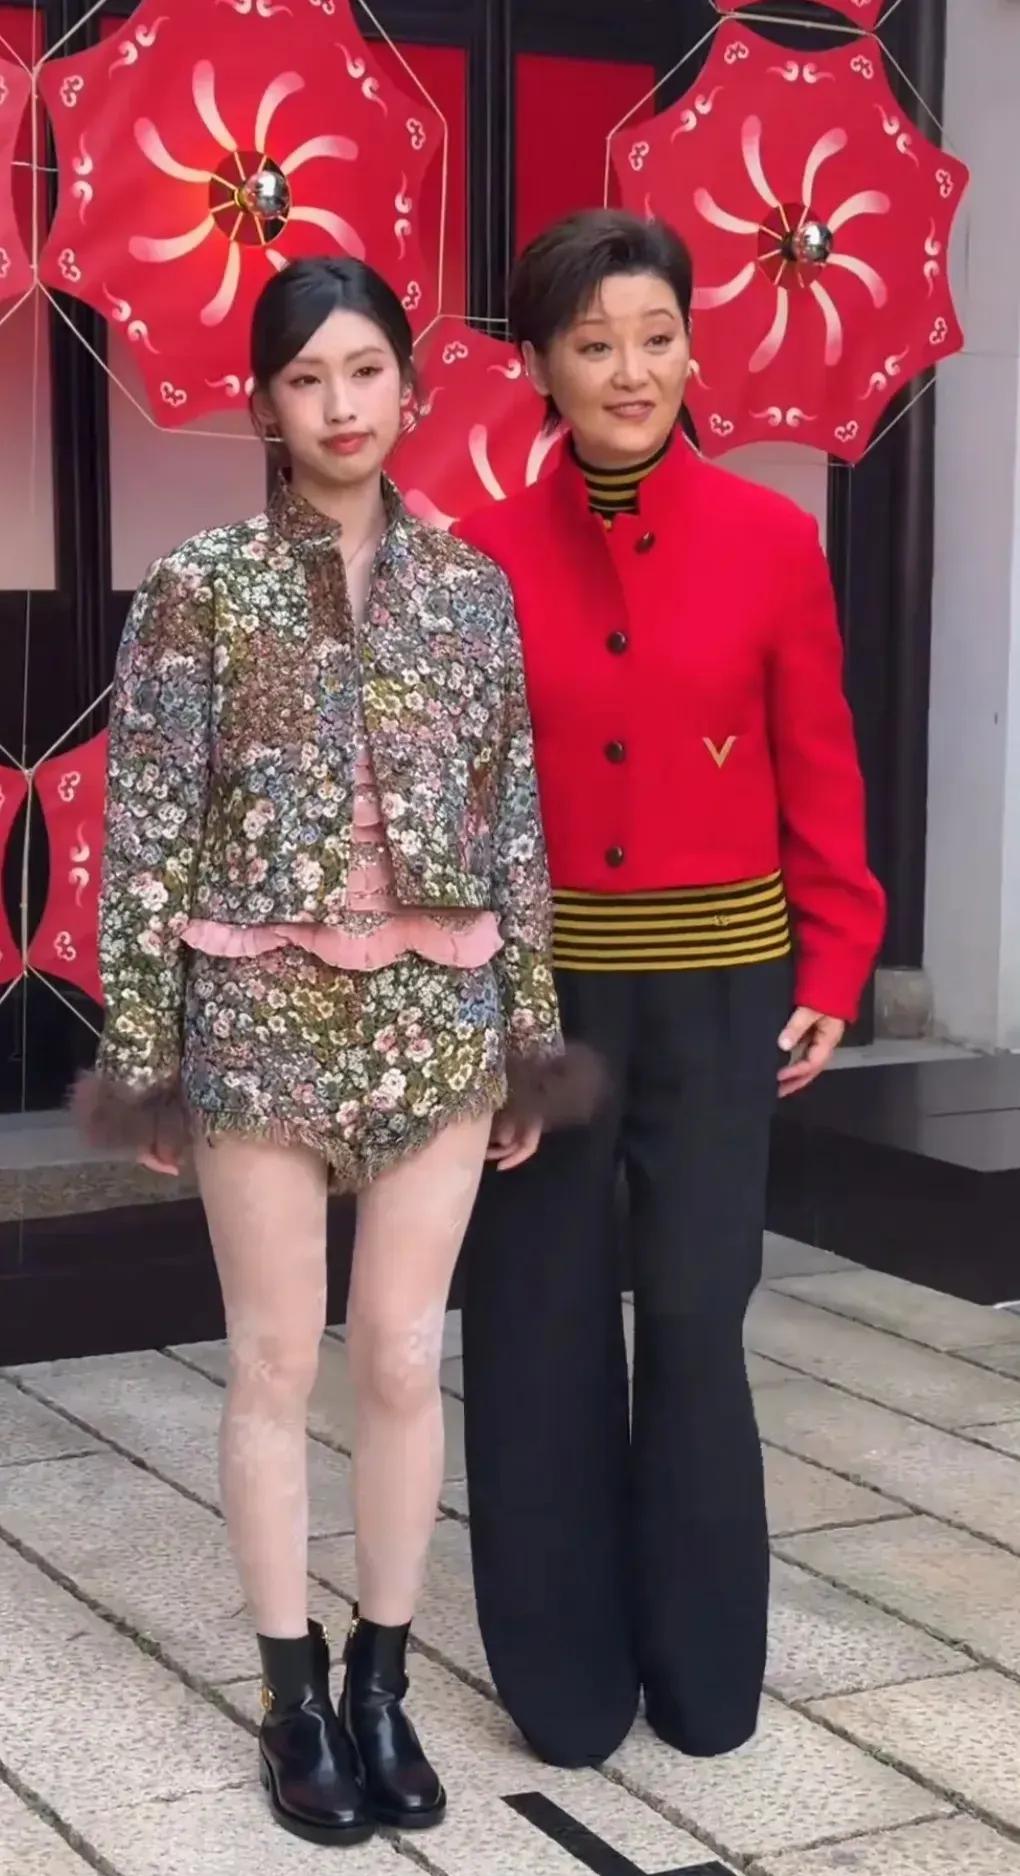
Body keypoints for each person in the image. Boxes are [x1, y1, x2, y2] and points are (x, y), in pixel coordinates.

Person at [75, 255, 597, 1847]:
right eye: (307, 378)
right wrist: (147, 1052)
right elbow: (148, 826)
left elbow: (515, 822)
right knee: (274, 1361)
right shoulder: (202, 585)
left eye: (365, 369)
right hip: (258, 1017)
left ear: (411, 390)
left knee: (400, 1357)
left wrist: (531, 1037)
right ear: (265, 407)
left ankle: (383, 1678)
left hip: (437, 1016)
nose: (342, 403)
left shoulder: (472, 590)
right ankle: (290, 1697)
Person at [455, 209, 886, 1770]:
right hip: (547, 1003)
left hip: (724, 993)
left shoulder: (772, 539)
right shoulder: (478, 560)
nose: (631, 371)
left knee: (699, 1317)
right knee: (540, 1323)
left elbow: (818, 763)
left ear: (694, 348)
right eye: (594, 344)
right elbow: (459, 811)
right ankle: (565, 1684)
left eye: (656, 337)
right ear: (539, 366)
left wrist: (836, 953)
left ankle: (704, 1668)